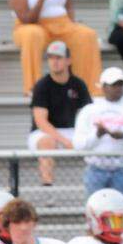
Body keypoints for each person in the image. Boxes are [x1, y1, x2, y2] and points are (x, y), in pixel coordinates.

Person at [10, 0, 104, 95]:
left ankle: (89, 89)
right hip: (32, 26)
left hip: (62, 25)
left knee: (87, 35)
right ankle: (33, 88)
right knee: (32, 34)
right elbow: (27, 19)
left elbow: (69, 1)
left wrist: (71, 21)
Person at [71, 67, 123, 207]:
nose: (117, 88)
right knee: (96, 212)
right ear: (103, 87)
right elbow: (78, 144)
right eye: (113, 85)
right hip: (96, 168)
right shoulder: (89, 110)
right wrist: (97, 135)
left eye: (120, 84)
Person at [28, 40, 92, 187]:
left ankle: (96, 184)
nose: (54, 62)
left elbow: (88, 114)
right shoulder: (42, 86)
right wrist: (65, 141)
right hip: (42, 132)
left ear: (68, 60)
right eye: (51, 58)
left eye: (58, 58)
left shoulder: (78, 84)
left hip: (71, 130)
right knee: (47, 142)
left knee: (95, 140)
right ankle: (48, 187)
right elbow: (41, 121)